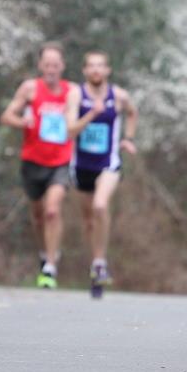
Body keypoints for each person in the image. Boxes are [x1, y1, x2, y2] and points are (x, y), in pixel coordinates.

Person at [0, 42, 101, 289]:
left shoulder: (72, 92)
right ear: (40, 66)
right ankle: (45, 253)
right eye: (47, 64)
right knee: (37, 214)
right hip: (33, 161)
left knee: (52, 210)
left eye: (56, 65)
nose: (51, 69)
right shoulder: (30, 88)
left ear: (63, 66)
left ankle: (51, 267)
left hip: (61, 161)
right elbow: (6, 116)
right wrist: (23, 120)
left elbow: (78, 122)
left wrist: (88, 119)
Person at [65, 50, 138, 298]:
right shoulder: (76, 95)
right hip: (82, 166)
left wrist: (128, 138)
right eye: (91, 66)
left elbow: (132, 113)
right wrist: (91, 114)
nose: (96, 70)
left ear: (108, 70)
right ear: (85, 71)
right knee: (88, 222)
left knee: (99, 206)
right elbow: (70, 131)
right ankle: (96, 263)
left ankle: (100, 264)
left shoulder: (118, 96)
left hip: (109, 163)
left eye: (101, 66)